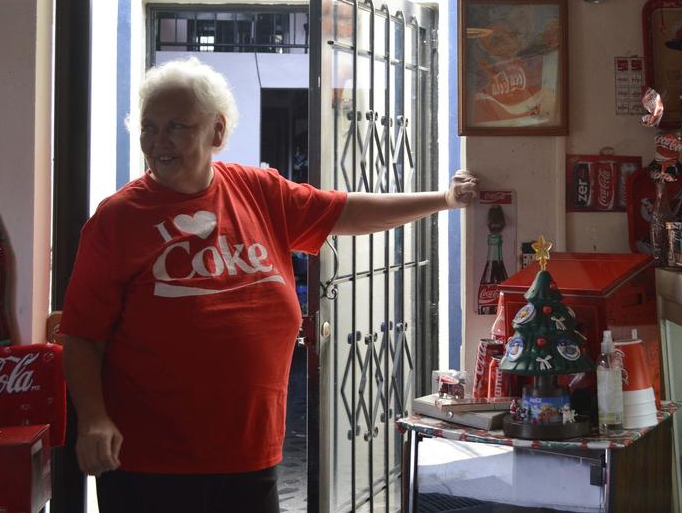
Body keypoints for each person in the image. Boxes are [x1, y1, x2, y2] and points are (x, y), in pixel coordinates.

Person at [60, 57, 478, 513]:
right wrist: (94, 420)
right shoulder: (118, 219)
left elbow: (347, 211)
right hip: (151, 462)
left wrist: (444, 199)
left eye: (176, 126)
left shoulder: (257, 192)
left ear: (217, 131)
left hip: (249, 455)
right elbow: (81, 335)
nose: (158, 141)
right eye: (148, 127)